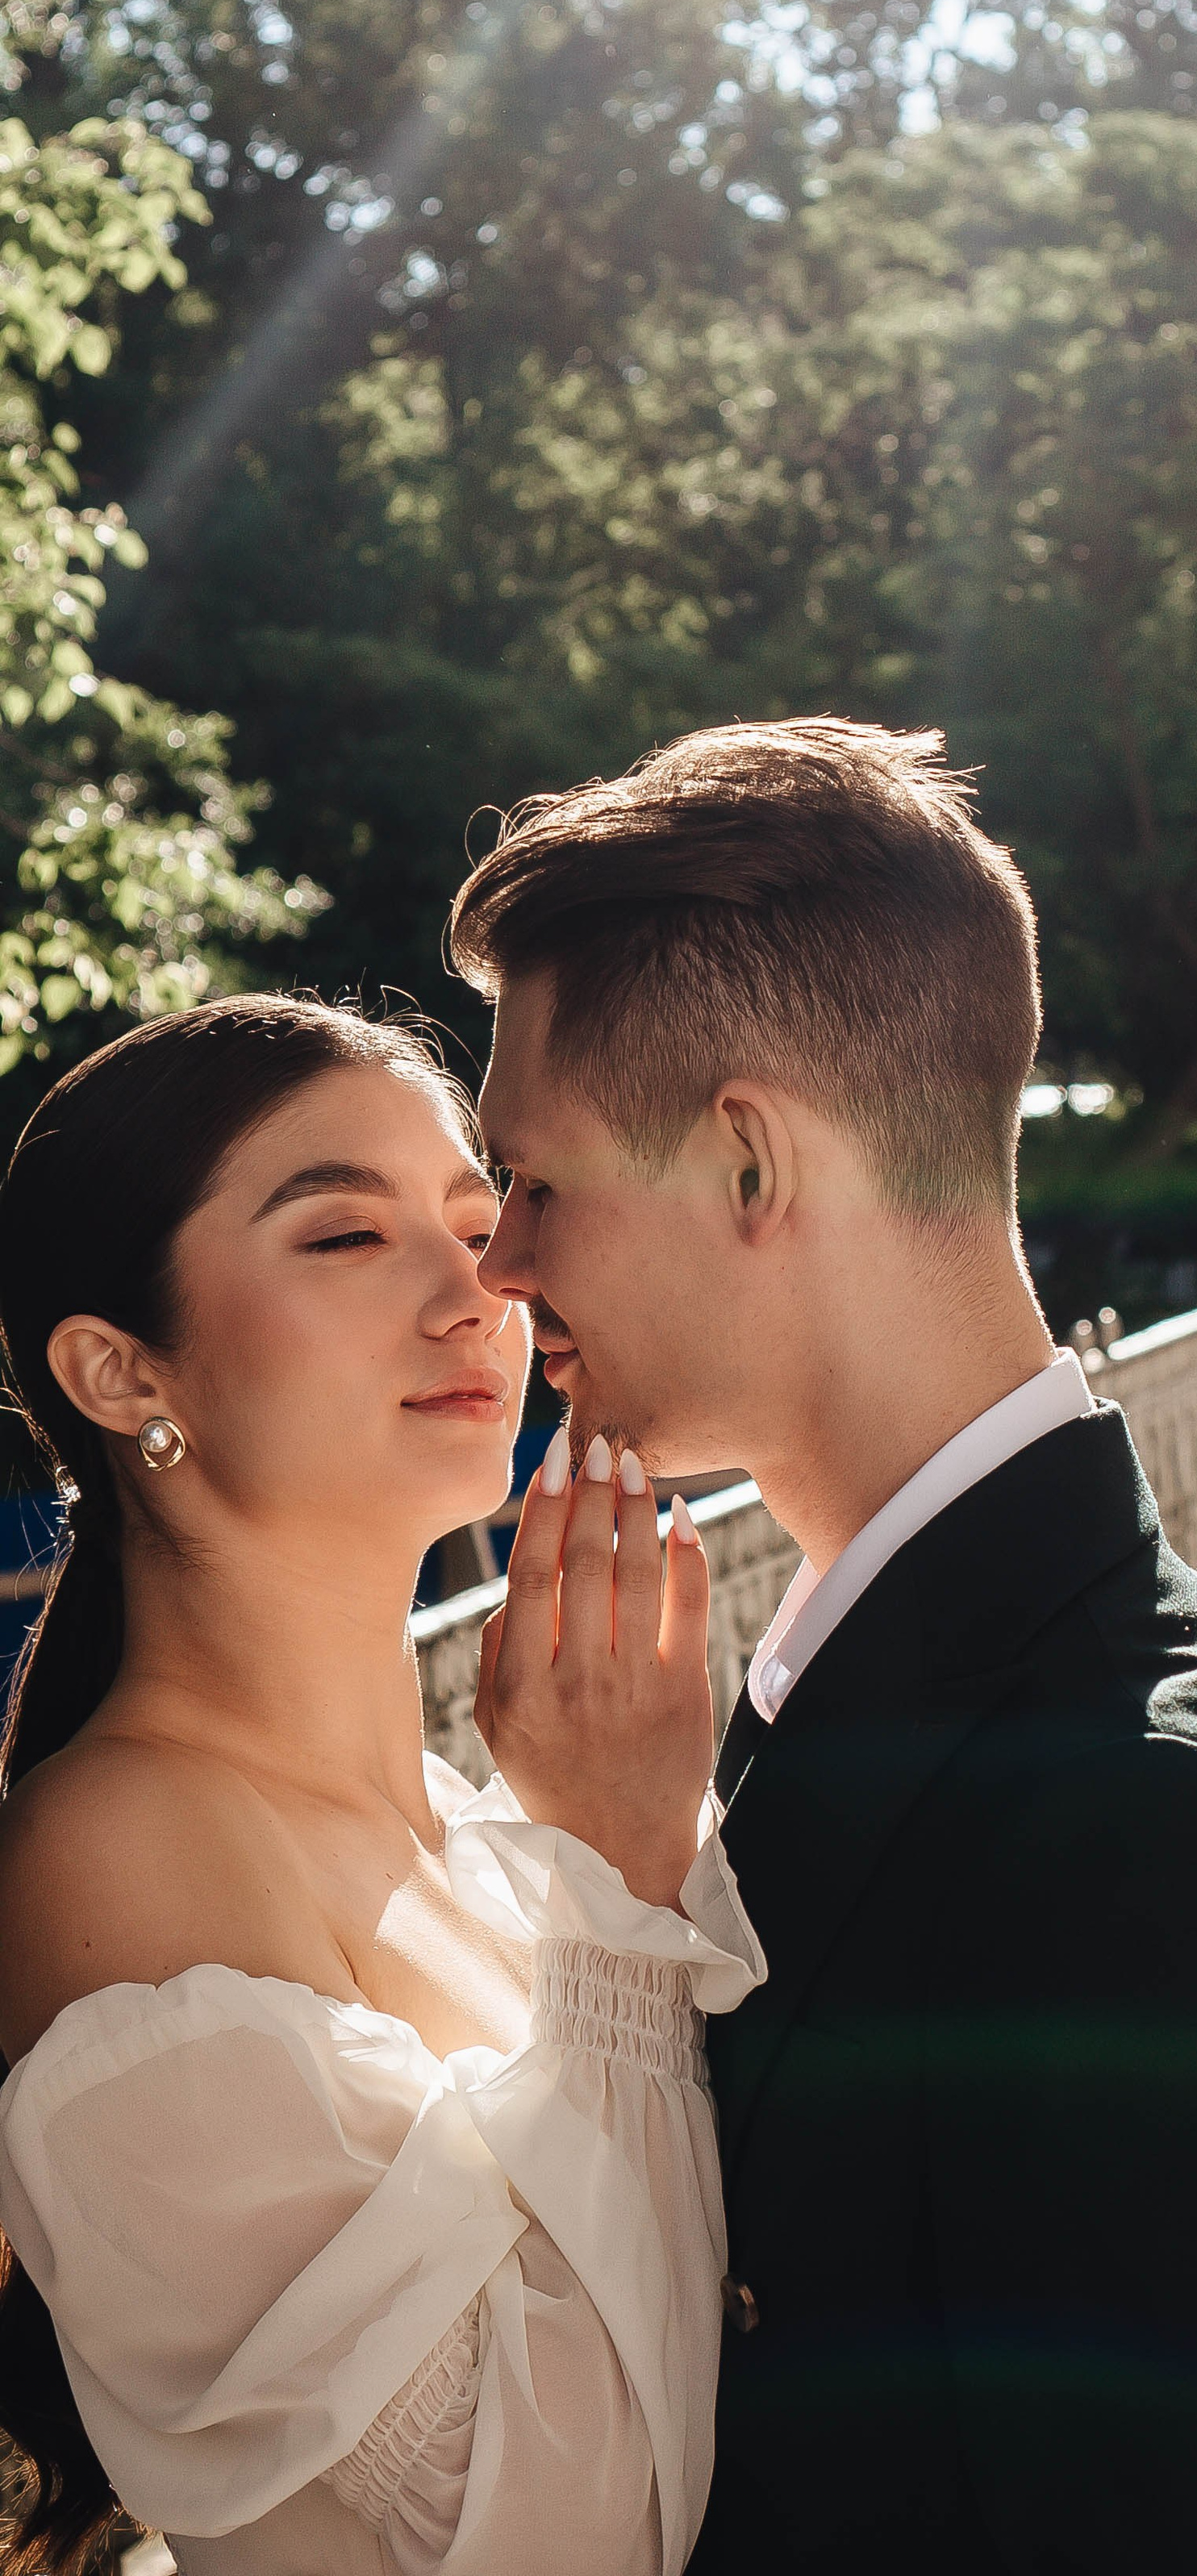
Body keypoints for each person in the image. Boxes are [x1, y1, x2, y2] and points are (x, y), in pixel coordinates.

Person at [456, 715, 1197, 2576]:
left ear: (748, 1166)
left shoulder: (1145, 1823)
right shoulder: (883, 1697)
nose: (495, 1262)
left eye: (537, 1182)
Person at [0, 996, 762, 2576]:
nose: (472, 1292)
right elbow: (578, 2534)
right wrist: (619, 1868)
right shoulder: (118, 1857)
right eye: (347, 1237)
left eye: (480, 1224)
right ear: (120, 1370)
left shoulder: (471, 1823)